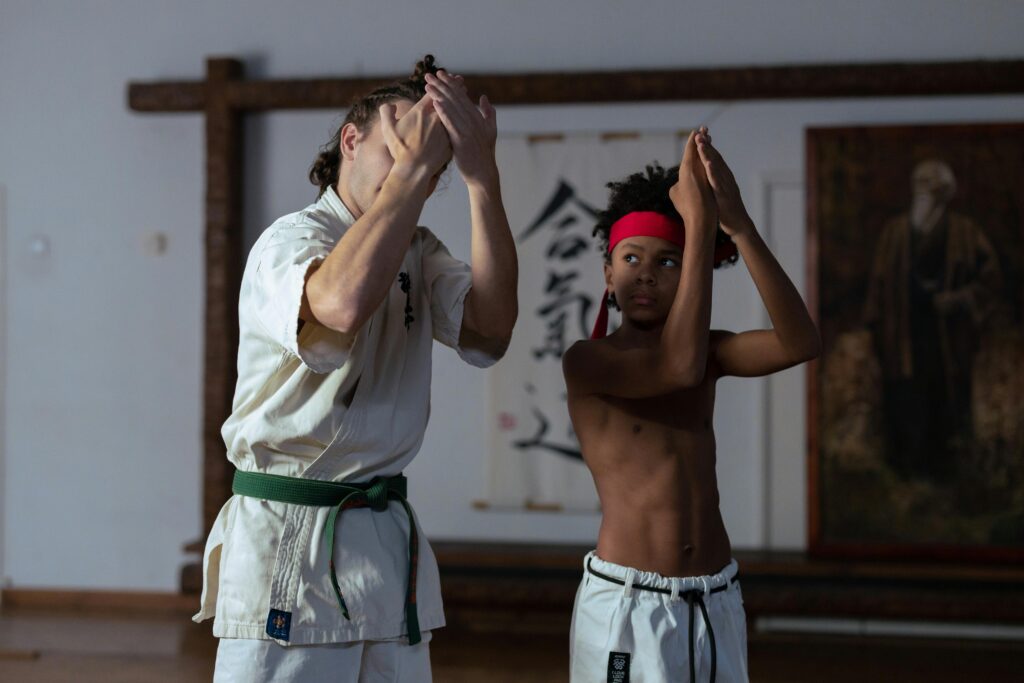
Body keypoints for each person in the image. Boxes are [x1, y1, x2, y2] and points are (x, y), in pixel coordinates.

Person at [193, 55, 518, 682]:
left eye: (433, 155)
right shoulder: (291, 239)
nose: (419, 160)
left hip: (384, 541)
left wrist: (482, 179)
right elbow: (339, 306)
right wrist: (415, 169)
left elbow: (492, 327)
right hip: (292, 536)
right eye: (400, 142)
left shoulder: (421, 254)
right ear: (352, 139)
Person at [562, 128, 819, 682]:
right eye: (631, 258)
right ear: (608, 274)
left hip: (715, 595)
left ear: (692, 275)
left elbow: (801, 342)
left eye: (669, 262)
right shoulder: (588, 361)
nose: (648, 273)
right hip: (629, 604)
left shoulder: (712, 352)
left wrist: (738, 226)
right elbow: (675, 370)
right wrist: (698, 226)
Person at [863, 159, 1001, 480]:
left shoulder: (966, 233)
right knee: (906, 403)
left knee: (947, 404)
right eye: (920, 187)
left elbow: (991, 281)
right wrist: (875, 331)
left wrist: (959, 299)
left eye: (932, 189)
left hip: (949, 340)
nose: (924, 195)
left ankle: (950, 478)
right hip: (903, 338)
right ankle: (907, 478)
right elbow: (877, 289)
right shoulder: (894, 233)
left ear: (945, 195)